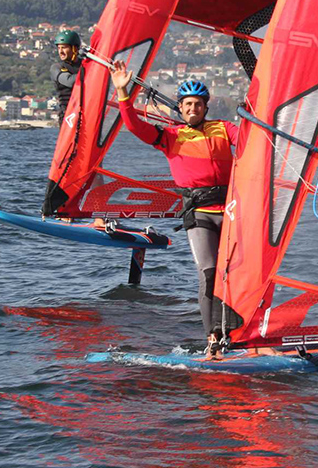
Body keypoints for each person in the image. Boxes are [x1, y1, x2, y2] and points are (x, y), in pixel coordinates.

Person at [109, 60, 238, 357]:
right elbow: (134, 126)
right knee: (209, 273)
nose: (193, 108)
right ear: (180, 108)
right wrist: (123, 93)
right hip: (200, 215)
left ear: (205, 107)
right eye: (188, 104)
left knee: (235, 274)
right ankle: (213, 339)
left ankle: (241, 334)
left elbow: (250, 140)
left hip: (231, 211)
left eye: (198, 104)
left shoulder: (223, 128)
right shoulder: (171, 136)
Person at [50, 30, 82, 124]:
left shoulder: (86, 65)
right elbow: (70, 81)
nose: (61, 51)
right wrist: (91, 71)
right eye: (59, 48)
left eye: (64, 48)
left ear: (74, 48)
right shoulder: (56, 67)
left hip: (87, 111)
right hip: (68, 115)